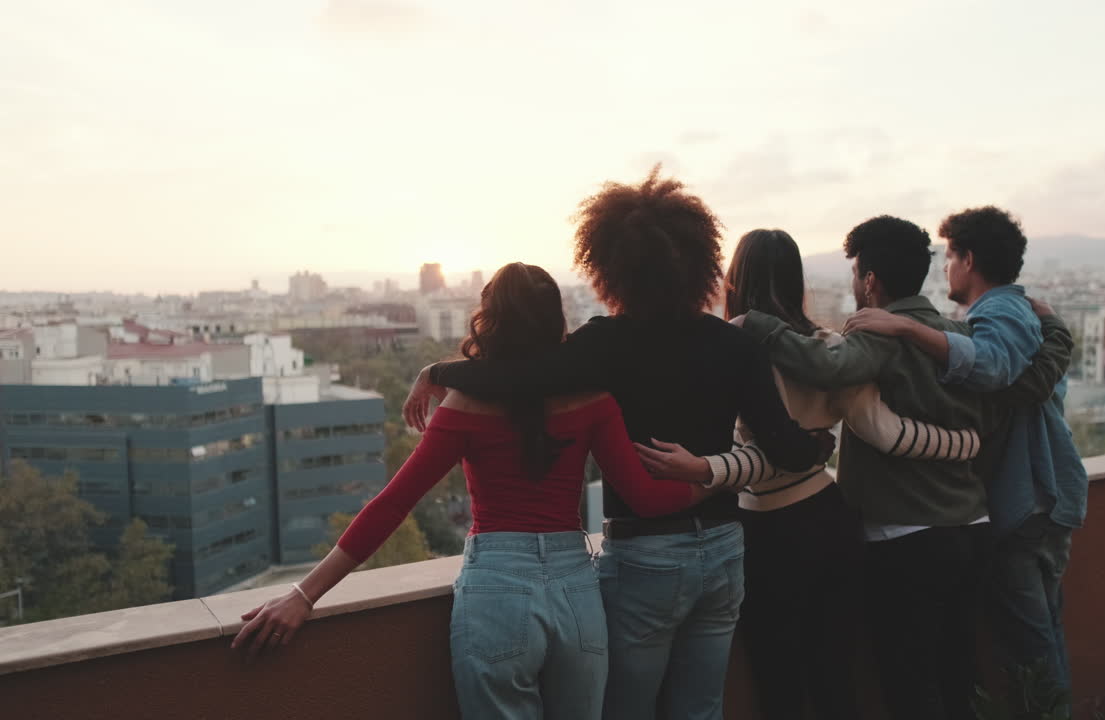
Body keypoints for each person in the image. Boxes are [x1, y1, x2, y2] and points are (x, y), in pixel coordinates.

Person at [403, 169, 831, 720]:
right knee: (701, 709)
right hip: (725, 546)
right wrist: (817, 445)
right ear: (700, 263)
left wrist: (439, 370)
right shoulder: (734, 343)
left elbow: (517, 377)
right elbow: (785, 449)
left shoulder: (602, 343)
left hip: (647, 552)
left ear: (609, 267)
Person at [231, 263, 710, 720]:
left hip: (496, 590)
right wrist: (712, 480)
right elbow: (646, 499)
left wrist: (303, 594)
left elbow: (393, 504)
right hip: (575, 594)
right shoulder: (594, 401)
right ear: (557, 320)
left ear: (489, 320)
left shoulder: (463, 407)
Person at [631, 228, 986, 720]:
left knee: (778, 682)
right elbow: (883, 431)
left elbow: (759, 458)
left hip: (766, 532)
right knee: (836, 679)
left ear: (735, 279)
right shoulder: (831, 344)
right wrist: (970, 443)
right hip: (829, 520)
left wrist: (705, 469)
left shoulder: (733, 347)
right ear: (796, 279)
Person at [735, 216, 1073, 720]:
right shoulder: (959, 337)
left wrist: (757, 322)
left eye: (855, 272)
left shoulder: (880, 333)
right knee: (960, 672)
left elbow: (827, 367)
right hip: (972, 529)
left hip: (904, 535)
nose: (853, 284)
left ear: (870, 280)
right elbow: (1020, 389)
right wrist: (1056, 332)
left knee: (909, 683)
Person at [845, 206, 1087, 696]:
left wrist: (907, 329)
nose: (946, 267)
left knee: (1030, 647)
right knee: (1033, 639)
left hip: (1027, 498)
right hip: (1029, 500)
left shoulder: (998, 311)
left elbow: (995, 370)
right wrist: (1058, 332)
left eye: (951, 255)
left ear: (969, 259)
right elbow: (1023, 385)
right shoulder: (994, 315)